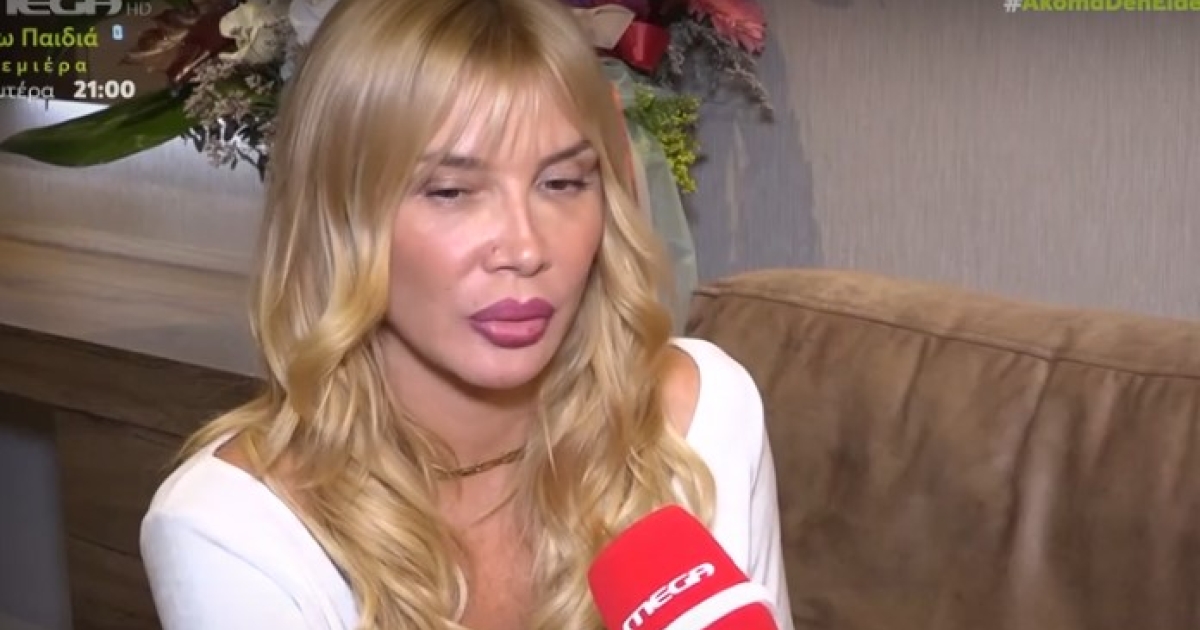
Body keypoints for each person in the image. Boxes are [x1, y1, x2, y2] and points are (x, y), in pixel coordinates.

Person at [139, 0, 794, 628]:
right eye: (451, 191)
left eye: (562, 183)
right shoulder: (231, 528)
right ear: (336, 215)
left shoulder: (705, 418)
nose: (526, 249)